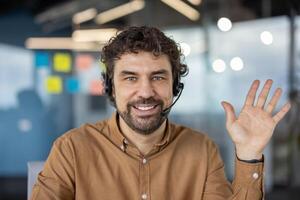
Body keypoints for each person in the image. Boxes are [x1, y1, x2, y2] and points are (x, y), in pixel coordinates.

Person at [31, 26, 291, 200]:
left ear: (175, 86)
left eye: (157, 77)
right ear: (111, 87)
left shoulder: (202, 150)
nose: (145, 92)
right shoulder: (71, 149)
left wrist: (249, 155)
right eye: (130, 78)